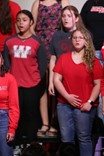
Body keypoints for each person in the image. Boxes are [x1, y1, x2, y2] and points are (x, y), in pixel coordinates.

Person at [53, 28, 103, 156]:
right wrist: (67, 97)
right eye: (74, 37)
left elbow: (98, 84)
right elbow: (57, 80)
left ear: (86, 41)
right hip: (64, 104)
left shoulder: (93, 61)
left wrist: (90, 102)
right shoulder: (64, 58)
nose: (77, 40)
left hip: (84, 106)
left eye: (80, 37)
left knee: (83, 138)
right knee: (66, 139)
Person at [3, 10, 47, 147]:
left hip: (32, 86)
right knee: (16, 117)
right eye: (19, 20)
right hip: (14, 86)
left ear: (31, 22)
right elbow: (6, 62)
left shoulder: (37, 42)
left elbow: (42, 65)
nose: (21, 23)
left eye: (24, 20)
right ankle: (16, 146)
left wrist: (36, 81)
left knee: (31, 116)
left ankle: (30, 146)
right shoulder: (9, 41)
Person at [31, 0, 69, 138]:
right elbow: (31, 26)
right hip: (41, 43)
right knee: (43, 84)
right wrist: (34, 45)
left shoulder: (62, 1)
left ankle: (54, 122)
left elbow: (68, 22)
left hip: (58, 43)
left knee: (55, 83)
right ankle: (45, 123)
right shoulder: (37, 3)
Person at [47, 5, 85, 137]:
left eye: (69, 16)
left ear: (76, 18)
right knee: (59, 105)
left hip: (77, 78)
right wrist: (51, 82)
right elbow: (53, 58)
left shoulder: (82, 35)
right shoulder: (57, 35)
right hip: (60, 77)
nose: (66, 19)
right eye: (63, 16)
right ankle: (55, 125)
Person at [81, 0, 104, 125]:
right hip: (92, 51)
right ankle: (98, 124)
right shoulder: (88, 4)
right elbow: (81, 26)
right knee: (96, 88)